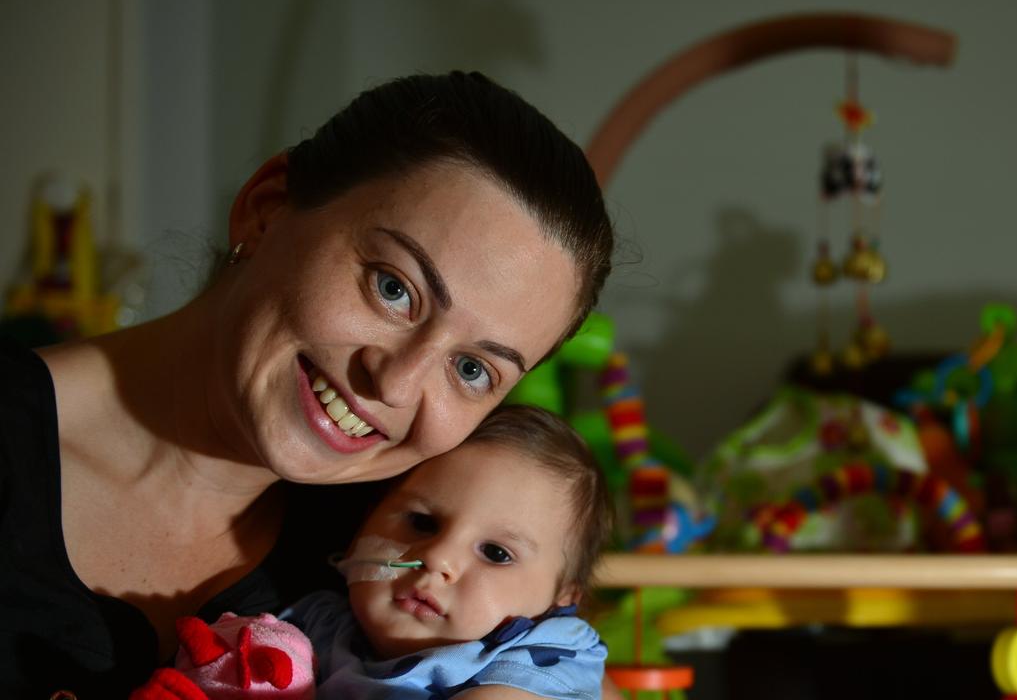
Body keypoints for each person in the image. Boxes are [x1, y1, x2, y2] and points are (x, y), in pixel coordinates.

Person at [0, 71, 614, 698]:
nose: (398, 385)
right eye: (393, 288)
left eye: (473, 369)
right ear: (266, 210)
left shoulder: (397, 530)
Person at [136, 404, 612, 699]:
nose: (436, 560)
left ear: (560, 596)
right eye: (421, 522)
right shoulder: (317, 622)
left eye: (496, 553)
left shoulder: (534, 660)